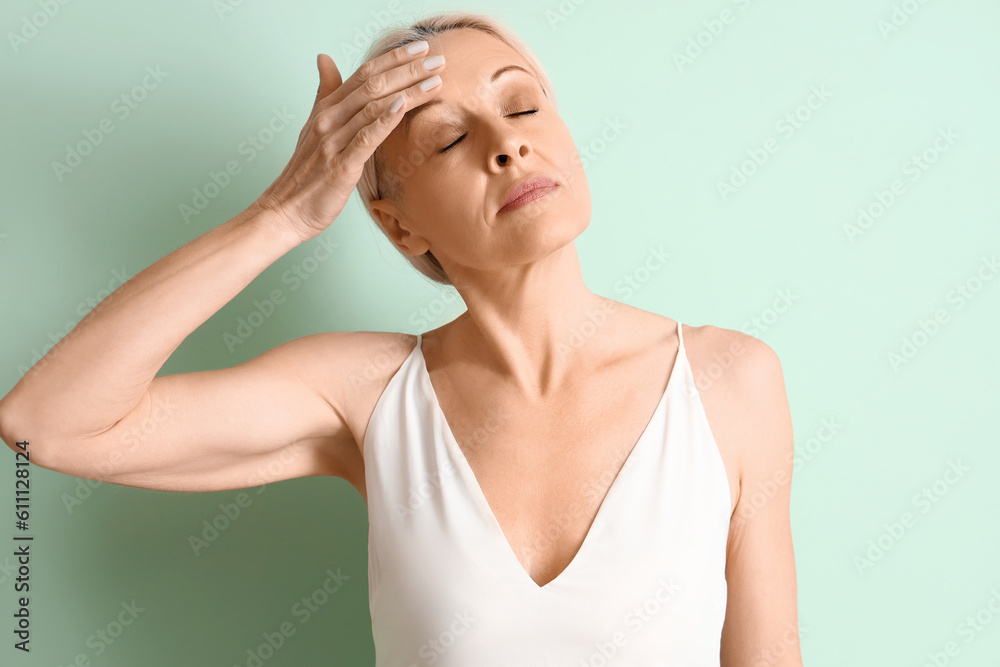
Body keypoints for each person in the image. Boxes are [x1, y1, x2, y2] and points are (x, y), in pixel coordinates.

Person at [0, 10, 803, 666]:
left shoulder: (730, 381)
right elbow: (47, 422)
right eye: (450, 139)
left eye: (521, 105)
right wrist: (280, 213)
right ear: (397, 223)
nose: (507, 142)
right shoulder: (366, 396)